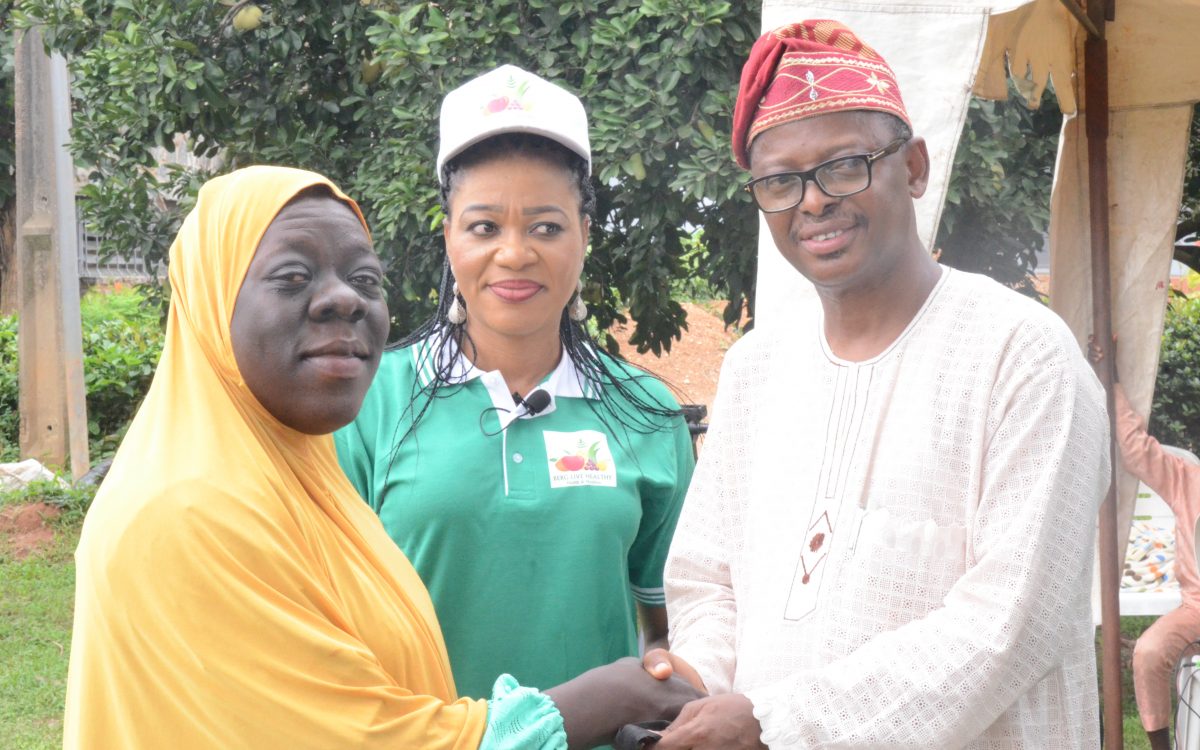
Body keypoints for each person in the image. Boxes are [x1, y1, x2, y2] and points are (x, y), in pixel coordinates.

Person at [63, 165, 697, 749]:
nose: (343, 300)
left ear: (585, 236)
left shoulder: (301, 475)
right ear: (210, 299)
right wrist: (612, 696)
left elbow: (675, 613)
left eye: (365, 279)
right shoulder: (187, 515)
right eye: (292, 277)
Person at [642, 20, 1110, 748]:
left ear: (914, 167)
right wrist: (699, 682)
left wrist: (776, 723)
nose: (813, 202)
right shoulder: (754, 370)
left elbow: (1016, 620)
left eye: (845, 166)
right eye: (780, 182)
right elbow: (708, 580)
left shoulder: (1021, 355)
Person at [335, 65, 695, 699]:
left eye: (546, 227)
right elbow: (329, 625)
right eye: (484, 227)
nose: (515, 254)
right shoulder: (366, 404)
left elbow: (677, 625)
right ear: (449, 237)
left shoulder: (646, 414)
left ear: (585, 236)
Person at [1092, 340, 1200, 750]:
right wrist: (1112, 379)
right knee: (1149, 651)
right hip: (1196, 609)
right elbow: (1136, 451)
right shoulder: (1188, 479)